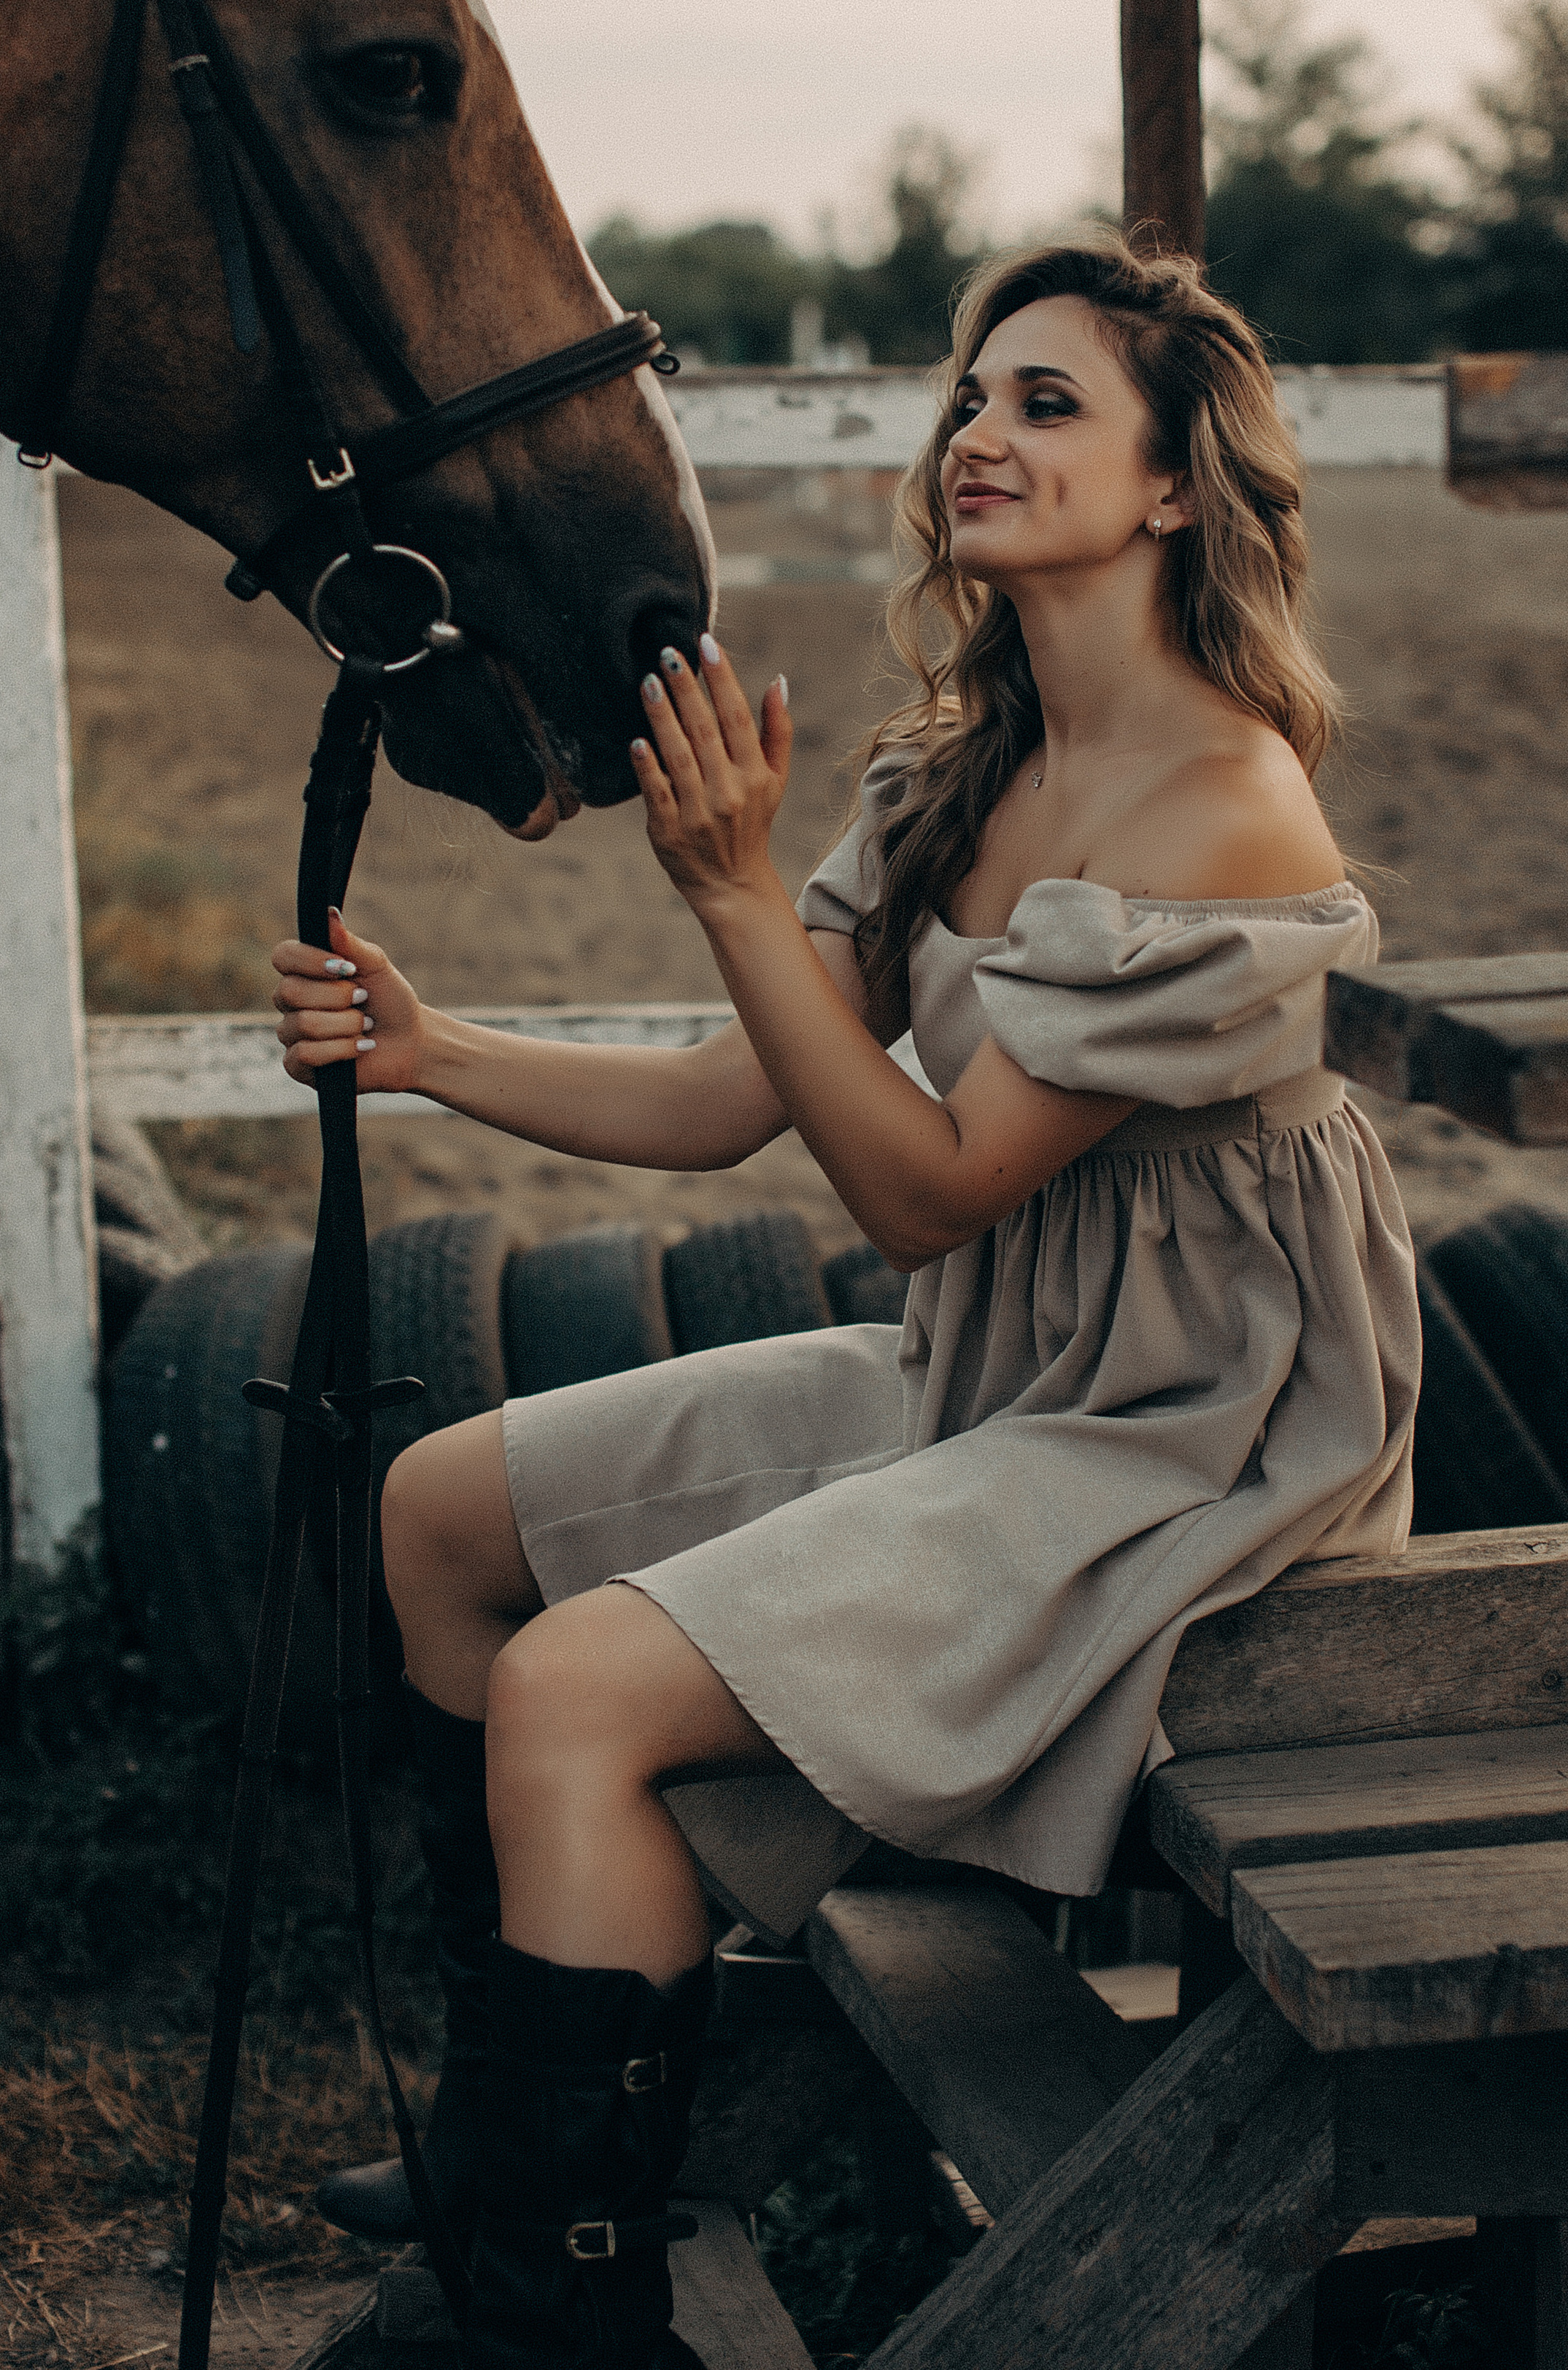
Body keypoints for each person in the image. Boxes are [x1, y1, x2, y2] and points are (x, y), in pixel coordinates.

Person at [274, 235, 1419, 2370]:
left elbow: (924, 1191)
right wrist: (434, 1053)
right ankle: (517, 2146)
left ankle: (560, 2317)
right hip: (996, 1365)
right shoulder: (958, 768)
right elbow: (736, 1103)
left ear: (1178, 485)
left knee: (579, 1690)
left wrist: (729, 893)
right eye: (973, 396)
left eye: (1050, 403)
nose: (980, 431)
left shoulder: (1228, 802)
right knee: (436, 1509)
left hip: (1185, 1437)